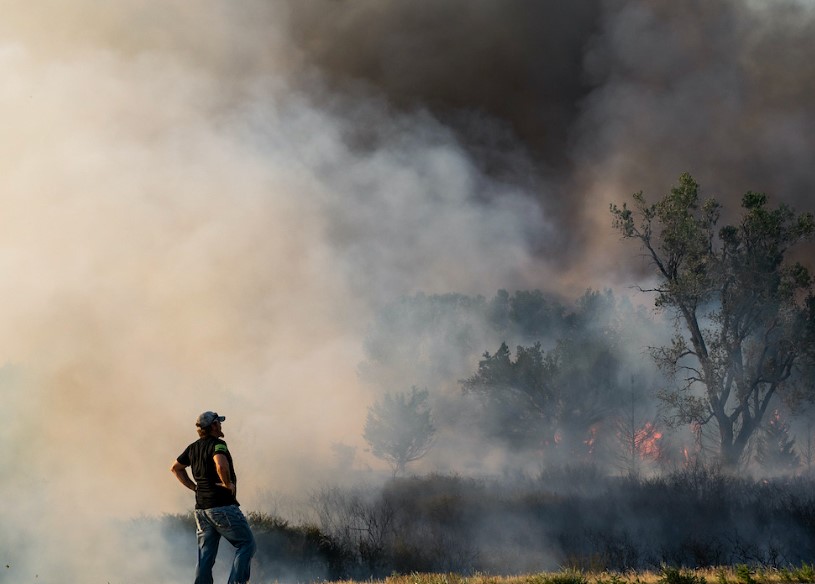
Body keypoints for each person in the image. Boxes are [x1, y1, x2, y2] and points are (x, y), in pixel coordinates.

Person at [171, 411, 256, 584]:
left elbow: (176, 468)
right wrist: (227, 484)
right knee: (247, 544)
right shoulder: (219, 445)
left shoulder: (192, 448)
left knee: (205, 555)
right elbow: (221, 465)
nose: (221, 426)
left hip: (201, 510)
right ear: (213, 426)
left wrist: (194, 487)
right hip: (222, 506)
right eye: (219, 423)